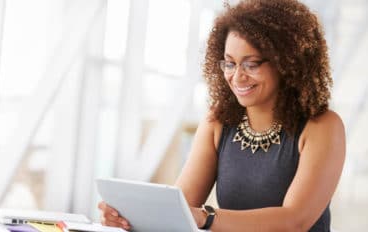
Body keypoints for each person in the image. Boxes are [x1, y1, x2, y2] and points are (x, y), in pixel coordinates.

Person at [98, 0, 346, 231]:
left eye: (251, 64)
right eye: (229, 63)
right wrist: (129, 218)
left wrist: (207, 217)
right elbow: (178, 208)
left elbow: (295, 221)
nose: (237, 77)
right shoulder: (218, 121)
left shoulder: (322, 126)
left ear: (287, 63)